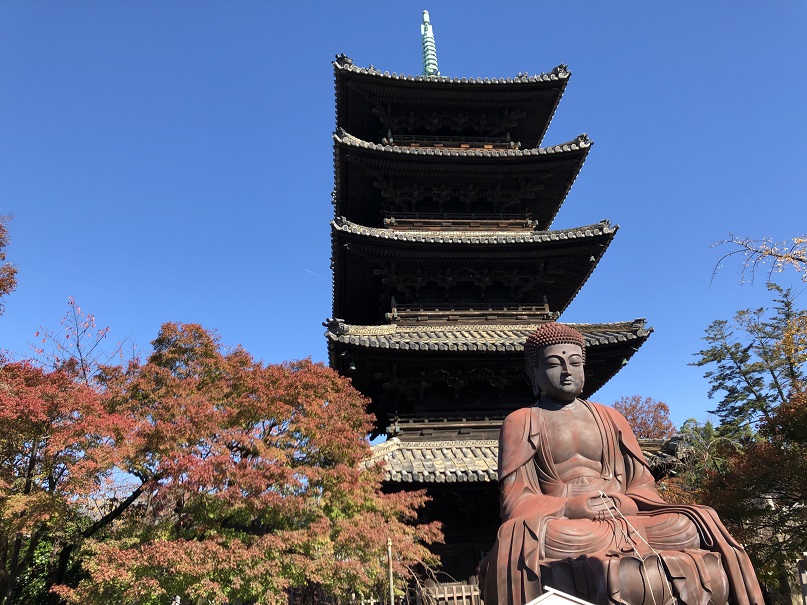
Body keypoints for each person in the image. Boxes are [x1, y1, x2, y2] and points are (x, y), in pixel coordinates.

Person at [478, 322, 763, 605]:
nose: (567, 371)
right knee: (532, 537)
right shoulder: (521, 421)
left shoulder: (611, 417)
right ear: (533, 372)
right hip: (571, 527)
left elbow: (642, 483)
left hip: (625, 516)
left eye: (575, 363)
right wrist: (569, 507)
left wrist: (627, 502)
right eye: (554, 364)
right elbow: (516, 500)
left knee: (690, 523)